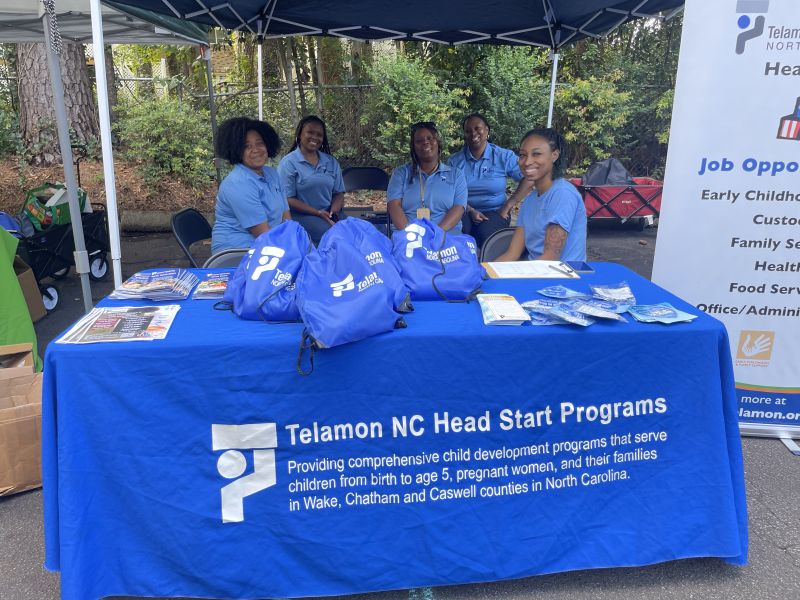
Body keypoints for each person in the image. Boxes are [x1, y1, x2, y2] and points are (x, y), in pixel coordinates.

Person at [496, 128, 587, 262]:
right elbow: (512, 254)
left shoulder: (562, 194)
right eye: (522, 155)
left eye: (536, 154)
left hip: (562, 278)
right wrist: (481, 273)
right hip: (536, 272)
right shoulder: (530, 200)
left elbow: (550, 258)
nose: (527, 162)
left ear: (554, 155)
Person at [448, 113, 532, 246]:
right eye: (468, 131)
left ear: (487, 130)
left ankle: (485, 265)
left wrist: (508, 205)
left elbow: (529, 177)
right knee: (460, 233)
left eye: (477, 128)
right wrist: (471, 210)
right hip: (464, 209)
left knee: (484, 234)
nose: (473, 133)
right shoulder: (455, 161)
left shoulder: (503, 156)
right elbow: (451, 193)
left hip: (497, 211)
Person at [211, 117, 289, 253]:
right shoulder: (238, 183)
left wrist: (296, 239)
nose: (255, 150)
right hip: (236, 252)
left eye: (260, 143)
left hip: (266, 244)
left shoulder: (272, 174)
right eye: (247, 146)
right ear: (236, 151)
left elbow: (286, 218)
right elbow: (263, 235)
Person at [277, 116, 346, 245]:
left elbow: (339, 193)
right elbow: (287, 199)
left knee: (355, 232)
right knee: (336, 238)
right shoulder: (288, 163)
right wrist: (318, 213)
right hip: (302, 216)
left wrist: (333, 212)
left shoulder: (331, 162)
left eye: (319, 134)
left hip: (328, 214)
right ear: (300, 135)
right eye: (310, 132)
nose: (315, 137)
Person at [387, 121, 467, 232]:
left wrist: (437, 234)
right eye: (419, 141)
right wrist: (410, 235)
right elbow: (394, 206)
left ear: (438, 143)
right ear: (413, 147)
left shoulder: (456, 175)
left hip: (447, 239)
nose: (425, 142)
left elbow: (458, 208)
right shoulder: (400, 174)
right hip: (408, 238)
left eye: (430, 138)